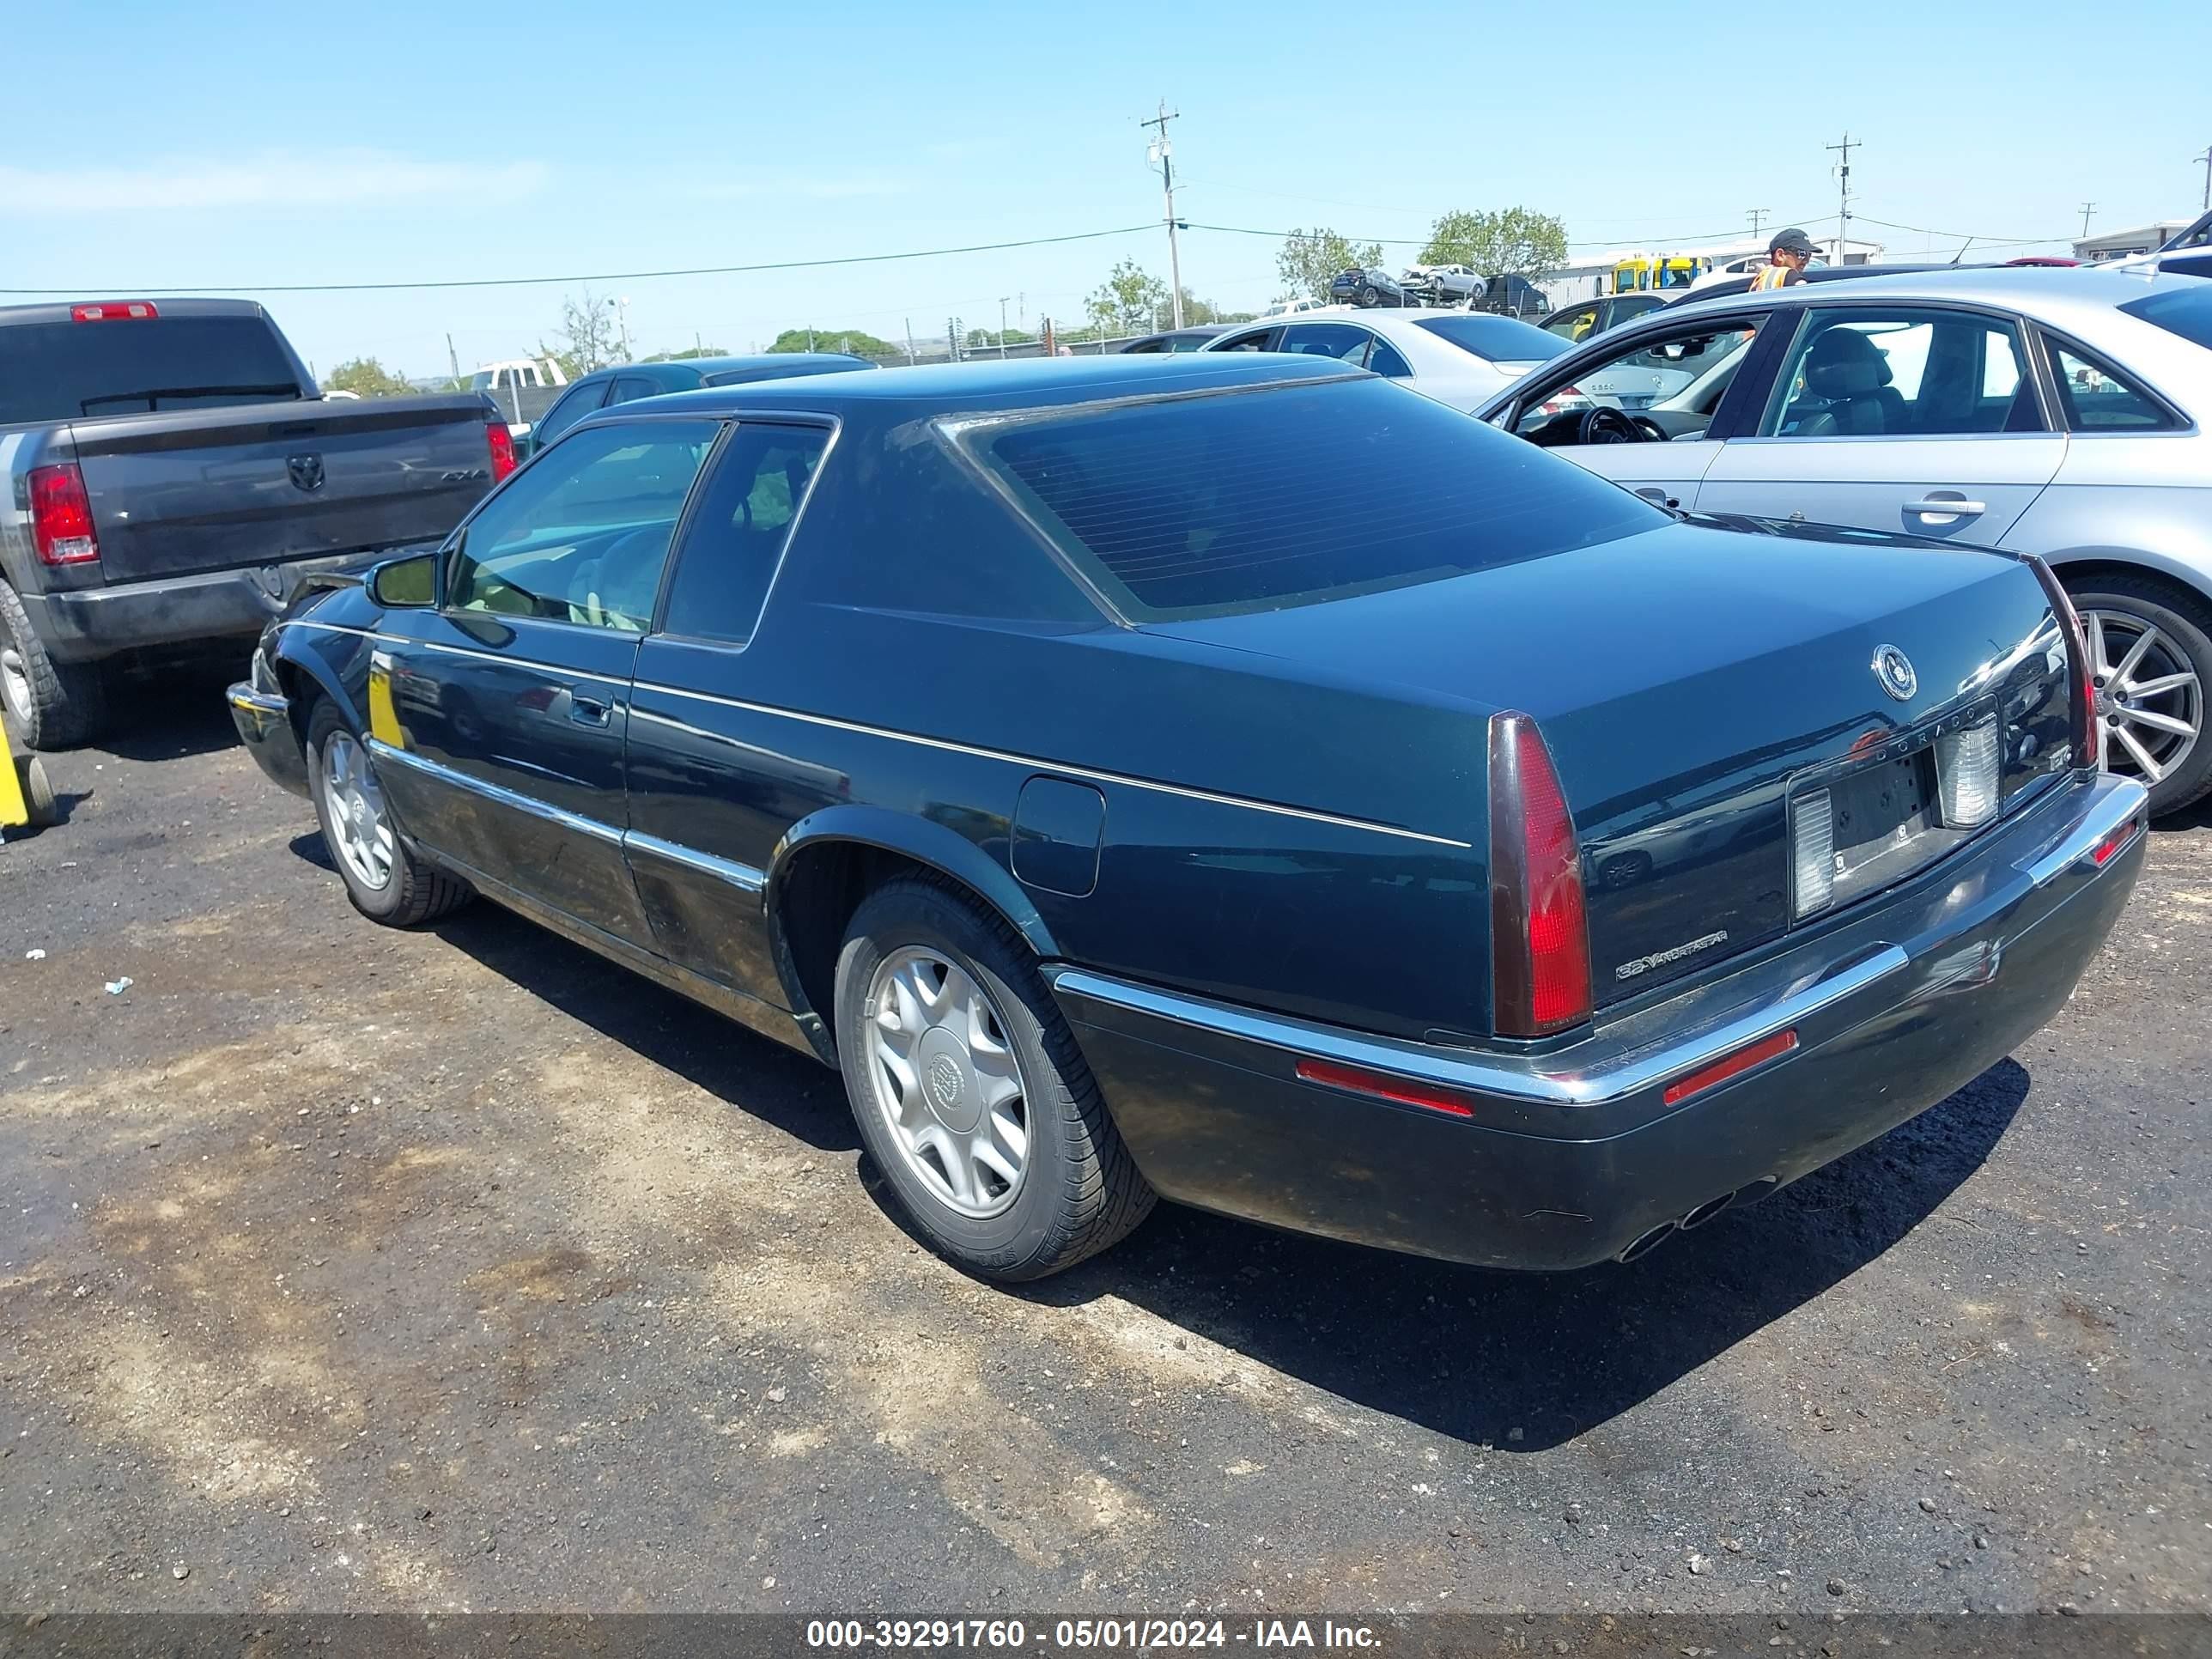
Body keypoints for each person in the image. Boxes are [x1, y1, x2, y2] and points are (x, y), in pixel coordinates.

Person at [1750, 227, 1818, 290]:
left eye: (1809, 254)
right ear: (1780, 255)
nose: (1806, 261)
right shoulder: (1789, 275)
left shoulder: (1762, 277)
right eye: (1802, 253)